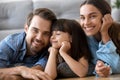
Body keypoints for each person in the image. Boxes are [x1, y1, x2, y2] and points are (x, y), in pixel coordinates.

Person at [0, 8, 56, 80]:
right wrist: (21, 70)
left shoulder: (49, 49)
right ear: (26, 29)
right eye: (35, 30)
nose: (39, 38)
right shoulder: (9, 43)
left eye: (46, 33)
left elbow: (37, 72)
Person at [79, 0, 120, 77]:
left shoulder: (118, 32)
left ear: (106, 17)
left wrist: (104, 33)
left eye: (92, 16)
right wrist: (101, 70)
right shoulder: (84, 38)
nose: (86, 22)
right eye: (82, 17)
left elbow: (117, 67)